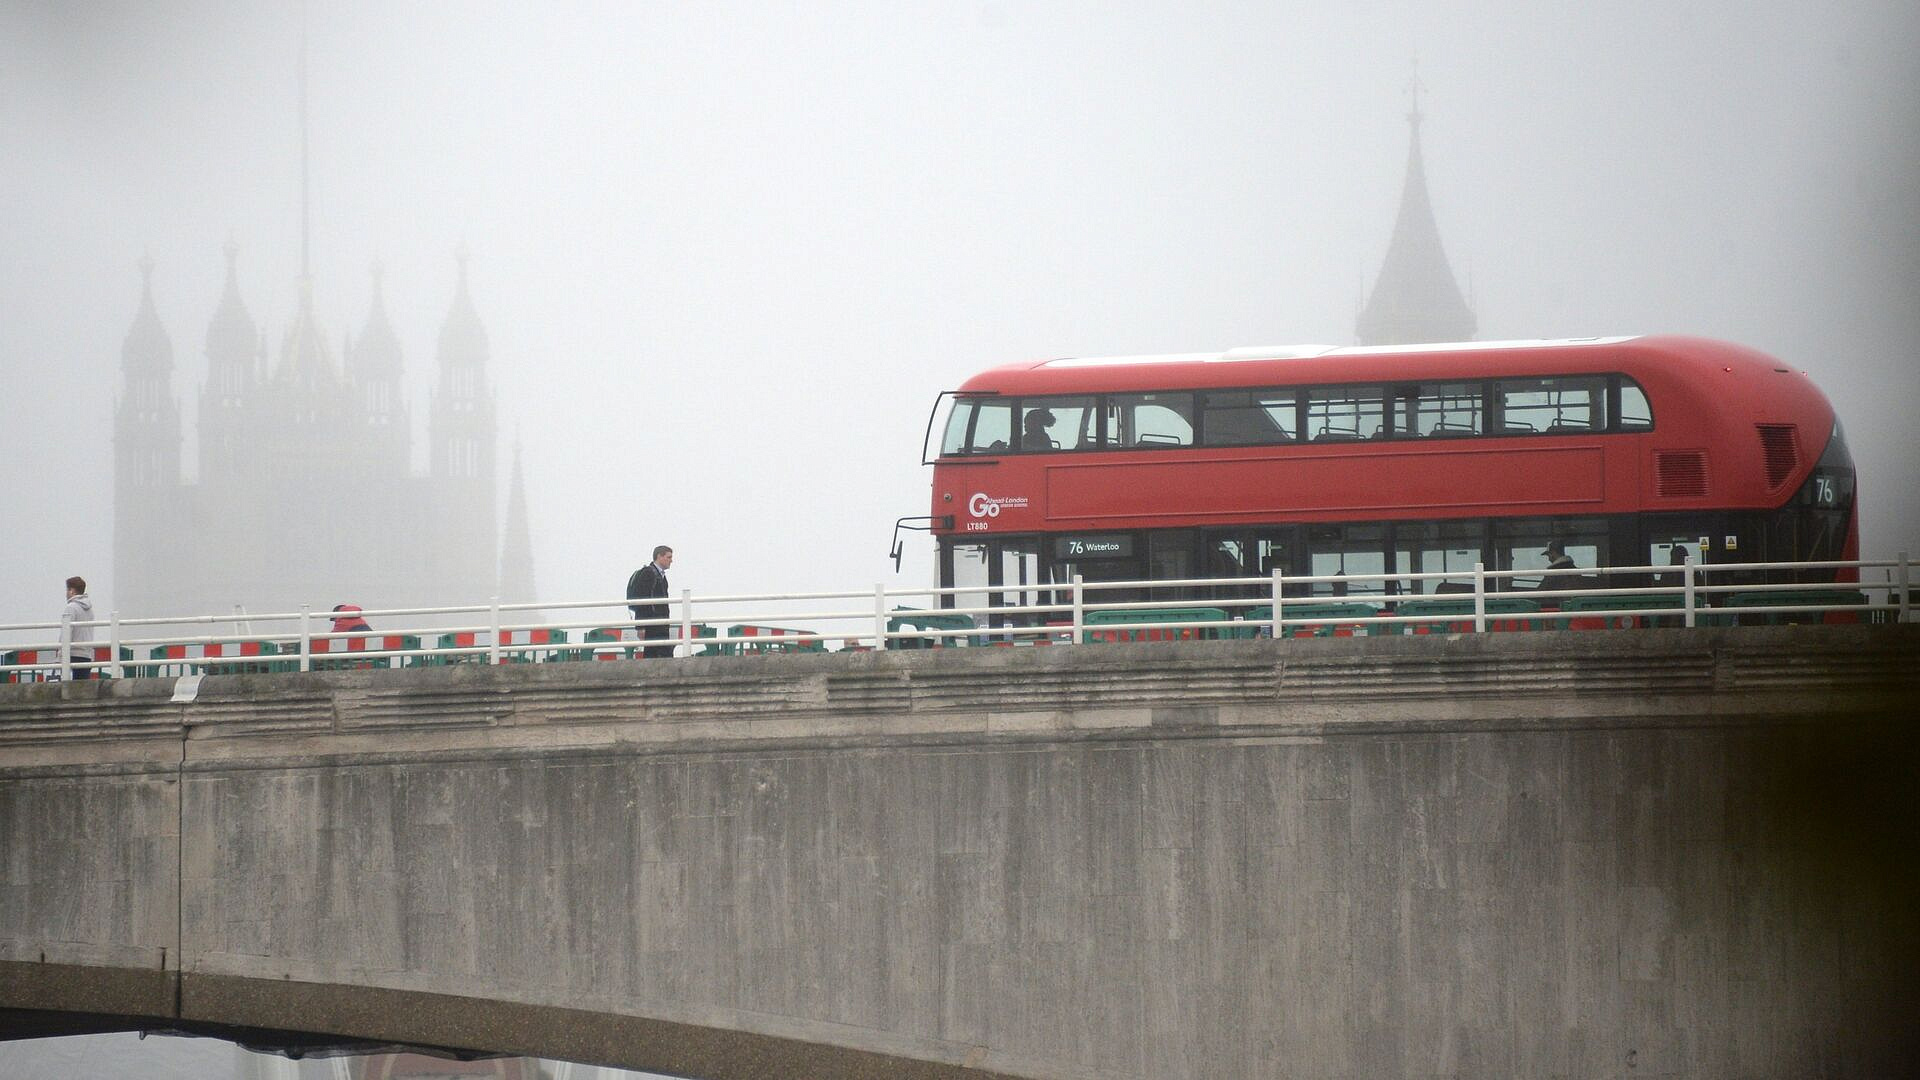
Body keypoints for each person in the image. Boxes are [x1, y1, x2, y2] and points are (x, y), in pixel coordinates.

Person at [626, 545, 675, 658]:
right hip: (652, 624)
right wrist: (641, 627)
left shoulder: (660, 576)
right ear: (659, 556)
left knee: (657, 654)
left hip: (659, 623)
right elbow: (641, 601)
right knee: (656, 655)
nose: (671, 561)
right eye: (668, 557)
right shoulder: (648, 573)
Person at [60, 575, 96, 680]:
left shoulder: (71, 608)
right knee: (83, 685)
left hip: (73, 653)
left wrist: (61, 653)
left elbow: (66, 632)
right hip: (87, 653)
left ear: (72, 591)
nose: (66, 593)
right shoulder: (89, 609)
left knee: (69, 684)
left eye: (67, 590)